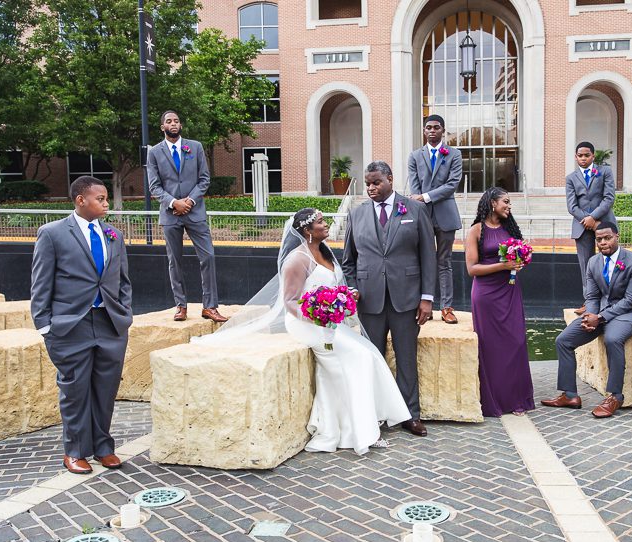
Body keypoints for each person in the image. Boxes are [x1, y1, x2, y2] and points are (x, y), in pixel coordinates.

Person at [194, 209, 411, 455]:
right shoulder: (297, 259)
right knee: (357, 358)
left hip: (328, 323)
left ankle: (355, 424)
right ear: (307, 231)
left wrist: (344, 299)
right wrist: (319, 315)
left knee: (368, 353)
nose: (326, 224)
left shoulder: (325, 252)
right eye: (320, 222)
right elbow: (290, 301)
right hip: (306, 324)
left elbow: (333, 288)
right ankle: (354, 430)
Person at [30, 176, 133, 474]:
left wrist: (124, 314)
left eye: (105, 198)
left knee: (105, 389)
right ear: (80, 200)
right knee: (75, 390)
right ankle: (74, 451)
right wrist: (45, 326)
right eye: (99, 198)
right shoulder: (52, 234)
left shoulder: (114, 234)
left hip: (110, 324)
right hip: (69, 326)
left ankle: (103, 447)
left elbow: (123, 281)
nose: (105, 203)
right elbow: (40, 284)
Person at [342, 161, 437, 436]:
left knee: (407, 358)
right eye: (368, 183)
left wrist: (427, 298)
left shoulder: (415, 209)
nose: (371, 188)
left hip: (406, 299)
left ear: (390, 180)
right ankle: (375, 414)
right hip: (369, 300)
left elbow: (428, 258)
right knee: (373, 359)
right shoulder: (356, 214)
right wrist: (352, 289)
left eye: (376, 183)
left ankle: (410, 414)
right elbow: (348, 261)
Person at [541, 222, 632, 418]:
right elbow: (592, 296)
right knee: (563, 340)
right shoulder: (593, 262)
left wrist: (600, 317)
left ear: (617, 236)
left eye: (607, 238)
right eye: (599, 239)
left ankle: (615, 396)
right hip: (600, 313)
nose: (603, 242)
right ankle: (570, 394)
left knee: (612, 339)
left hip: (628, 314)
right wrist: (590, 316)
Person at [146, 110, 227, 323]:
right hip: (170, 214)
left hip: (195, 211)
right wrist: (174, 203)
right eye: (168, 121)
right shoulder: (154, 152)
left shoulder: (196, 147)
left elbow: (204, 179)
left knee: (208, 256)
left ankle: (210, 306)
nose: (173, 123)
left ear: (180, 125)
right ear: (162, 127)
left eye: (176, 120)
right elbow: (154, 186)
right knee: (175, 261)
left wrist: (189, 201)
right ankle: (181, 306)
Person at [465, 188, 534, 417]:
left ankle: (515, 398)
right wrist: (503, 266)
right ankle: (493, 400)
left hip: (510, 290)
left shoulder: (510, 228)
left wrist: (519, 261)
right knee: (490, 346)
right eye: (505, 201)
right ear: (492, 203)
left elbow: (519, 256)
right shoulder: (476, 230)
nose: (509, 206)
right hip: (485, 295)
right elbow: (472, 269)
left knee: (515, 341)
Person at [407, 114, 463, 324]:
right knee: (423, 261)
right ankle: (425, 306)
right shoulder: (414, 156)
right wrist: (420, 199)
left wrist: (425, 196)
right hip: (422, 215)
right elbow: (414, 187)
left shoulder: (454, 154)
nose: (432, 130)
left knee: (444, 261)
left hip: (446, 216)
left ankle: (447, 307)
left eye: (436, 127)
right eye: (428, 127)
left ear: (443, 130)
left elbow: (452, 184)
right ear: (424, 131)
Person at [565, 141, 616, 315]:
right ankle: (589, 303)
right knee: (586, 266)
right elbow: (572, 206)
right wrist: (586, 220)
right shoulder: (571, 178)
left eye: (587, 155)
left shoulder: (605, 172)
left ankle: (610, 301)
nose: (583, 158)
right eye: (580, 155)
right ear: (576, 157)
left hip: (604, 224)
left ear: (593, 156)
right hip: (581, 226)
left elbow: (608, 198)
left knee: (608, 263)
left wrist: (593, 218)